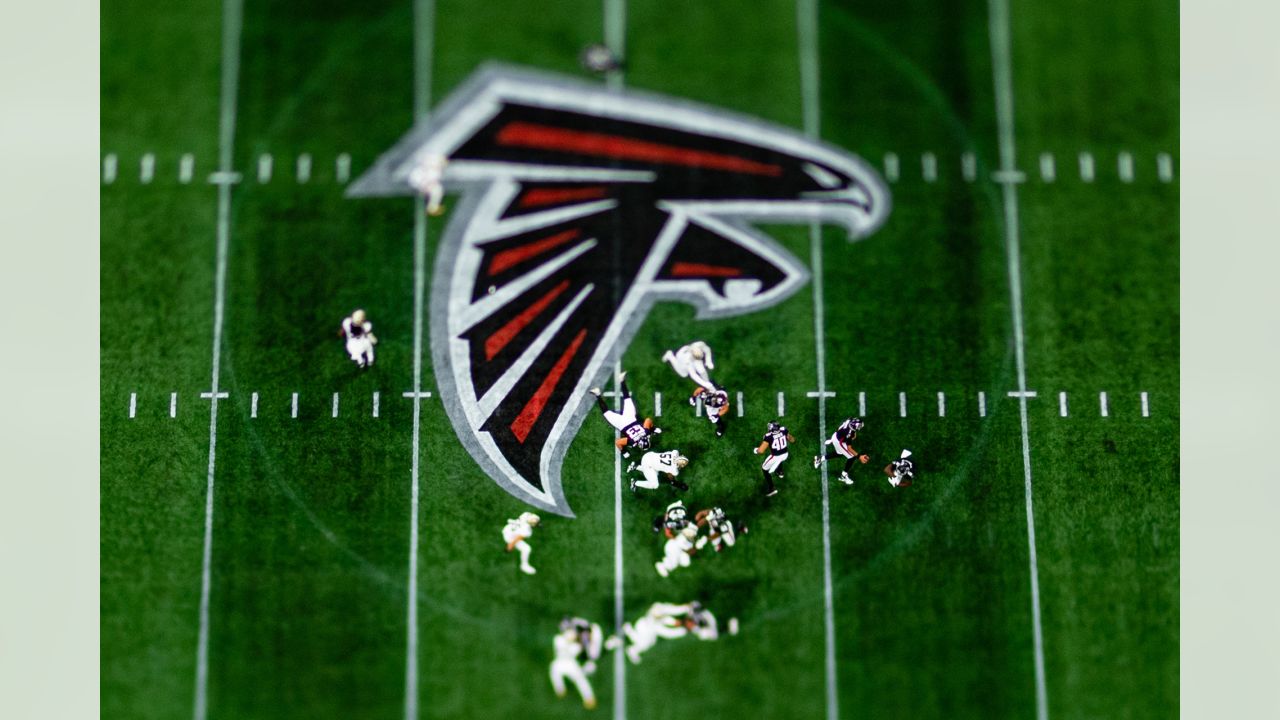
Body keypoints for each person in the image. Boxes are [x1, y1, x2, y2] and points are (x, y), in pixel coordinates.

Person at [590, 371, 660, 454]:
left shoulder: (646, 433)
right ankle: (598, 394)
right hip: (622, 424)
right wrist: (624, 451)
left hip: (631, 418)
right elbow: (618, 442)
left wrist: (652, 429)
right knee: (606, 413)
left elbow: (648, 420)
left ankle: (621, 380)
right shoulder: (632, 441)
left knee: (627, 399)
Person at [606, 602, 691, 665]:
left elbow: (673, 615)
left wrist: (686, 608)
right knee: (640, 641)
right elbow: (668, 632)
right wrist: (682, 630)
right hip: (643, 627)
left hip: (649, 631)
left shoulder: (664, 615)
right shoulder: (659, 613)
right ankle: (623, 637)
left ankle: (629, 646)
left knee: (648, 642)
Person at [550, 618, 598, 710]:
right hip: (560, 662)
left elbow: (576, 647)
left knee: (580, 679)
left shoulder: (574, 645)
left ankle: (589, 698)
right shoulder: (558, 640)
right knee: (554, 671)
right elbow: (569, 643)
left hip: (570, 664)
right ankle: (560, 689)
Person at [814, 416, 869, 484]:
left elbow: (839, 428)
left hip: (836, 435)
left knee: (839, 453)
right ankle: (843, 476)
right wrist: (859, 456)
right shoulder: (849, 434)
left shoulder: (849, 420)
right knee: (852, 457)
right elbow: (849, 448)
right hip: (839, 442)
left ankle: (820, 458)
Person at [754, 420, 795, 497]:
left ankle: (771, 488)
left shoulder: (768, 436)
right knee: (780, 459)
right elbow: (792, 440)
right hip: (785, 454)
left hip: (776, 457)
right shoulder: (784, 430)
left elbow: (761, 451)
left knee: (764, 469)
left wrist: (756, 450)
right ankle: (780, 472)